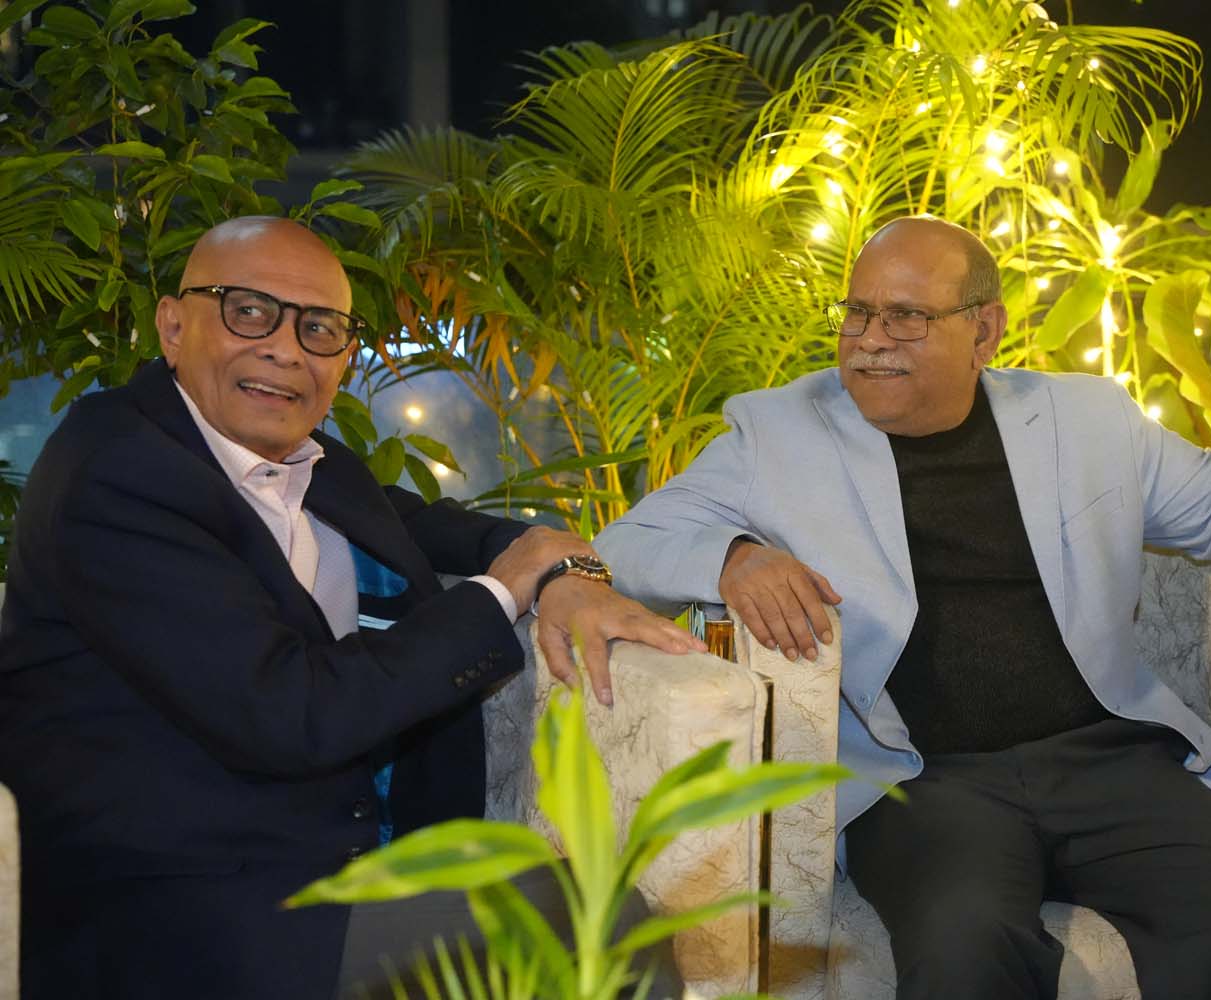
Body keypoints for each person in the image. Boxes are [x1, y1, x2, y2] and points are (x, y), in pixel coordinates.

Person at [594, 216, 1211, 1000]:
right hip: (923, 781)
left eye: (906, 317)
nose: (870, 340)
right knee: (963, 946)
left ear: (985, 331)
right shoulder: (777, 434)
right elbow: (627, 544)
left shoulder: (1086, 420)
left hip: (1107, 759)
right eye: (856, 313)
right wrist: (734, 557)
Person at [0, 217, 698, 1000]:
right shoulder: (117, 474)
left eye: (320, 328)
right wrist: (503, 590)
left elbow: (447, 530)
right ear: (172, 326)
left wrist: (562, 567)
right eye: (248, 311)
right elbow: (290, 712)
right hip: (176, 914)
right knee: (602, 921)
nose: (286, 349)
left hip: (320, 862)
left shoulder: (307, 462)